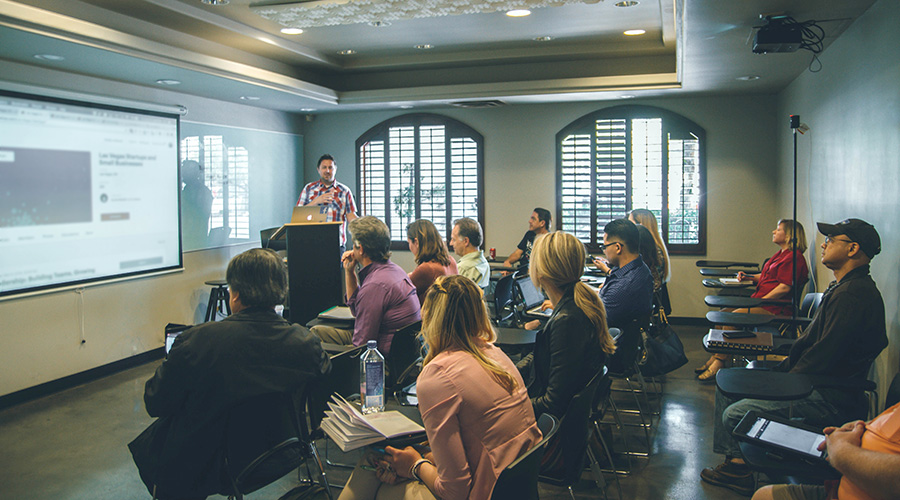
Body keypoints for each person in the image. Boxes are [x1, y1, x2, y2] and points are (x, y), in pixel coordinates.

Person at [701, 218, 888, 497]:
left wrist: (779, 382)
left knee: (735, 412)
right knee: (727, 382)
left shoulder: (854, 296)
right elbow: (811, 347)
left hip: (827, 394)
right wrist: (776, 376)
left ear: (853, 249)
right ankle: (737, 464)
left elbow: (823, 358)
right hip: (808, 379)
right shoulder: (842, 288)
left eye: (832, 240)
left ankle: (741, 469)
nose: (823, 244)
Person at [128, 248, 331, 500]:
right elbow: (323, 373)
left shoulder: (198, 342)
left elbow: (155, 402)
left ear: (234, 294)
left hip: (210, 466)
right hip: (282, 452)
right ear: (281, 291)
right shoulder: (304, 342)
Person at [337, 275, 542, 500]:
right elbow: (475, 445)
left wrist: (415, 465)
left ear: (429, 319)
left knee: (379, 476)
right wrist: (420, 461)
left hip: (485, 490)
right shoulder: (496, 355)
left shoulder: (438, 376)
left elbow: (455, 491)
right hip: (510, 484)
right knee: (381, 460)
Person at [517, 231, 616, 418]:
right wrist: (510, 372)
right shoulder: (575, 305)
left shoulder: (568, 321)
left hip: (553, 428)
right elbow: (546, 354)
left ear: (541, 271)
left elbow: (553, 403)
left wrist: (509, 407)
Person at [695, 219, 810, 381]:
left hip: (774, 309)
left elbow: (785, 287)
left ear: (789, 235)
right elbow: (765, 277)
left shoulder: (794, 258)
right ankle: (715, 357)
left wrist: (760, 301)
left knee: (731, 318)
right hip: (763, 303)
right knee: (723, 314)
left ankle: (719, 362)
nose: (774, 232)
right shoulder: (781, 255)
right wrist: (747, 277)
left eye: (778, 230)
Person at [311, 216, 420, 354]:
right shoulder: (395, 270)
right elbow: (357, 311)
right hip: (401, 356)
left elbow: (361, 346)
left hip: (379, 360)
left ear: (360, 249)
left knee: (313, 340)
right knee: (317, 332)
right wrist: (349, 272)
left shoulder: (375, 286)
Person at [751, 402, 900, 500]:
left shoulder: (841, 453)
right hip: (844, 486)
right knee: (764, 495)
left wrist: (841, 451)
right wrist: (863, 427)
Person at [597, 219, 654, 374]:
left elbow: (595, 319)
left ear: (617, 247)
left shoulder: (626, 285)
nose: (604, 251)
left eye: (605, 246)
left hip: (613, 352)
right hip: (626, 344)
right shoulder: (637, 269)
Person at [297, 154, 358, 251]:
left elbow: (351, 216)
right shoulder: (309, 188)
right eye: (324, 167)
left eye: (330, 167)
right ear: (318, 169)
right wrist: (316, 201)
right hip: (312, 243)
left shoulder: (344, 191)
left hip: (336, 244)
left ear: (335, 169)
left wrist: (364, 228)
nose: (327, 171)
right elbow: (298, 215)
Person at [406, 219, 458, 304]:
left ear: (416, 242)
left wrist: (408, 277)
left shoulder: (427, 269)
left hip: (431, 316)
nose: (410, 247)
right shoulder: (451, 260)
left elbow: (401, 294)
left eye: (409, 243)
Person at [449, 217, 490, 288]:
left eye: (454, 239)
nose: (451, 243)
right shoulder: (483, 262)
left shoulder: (462, 269)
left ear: (466, 241)